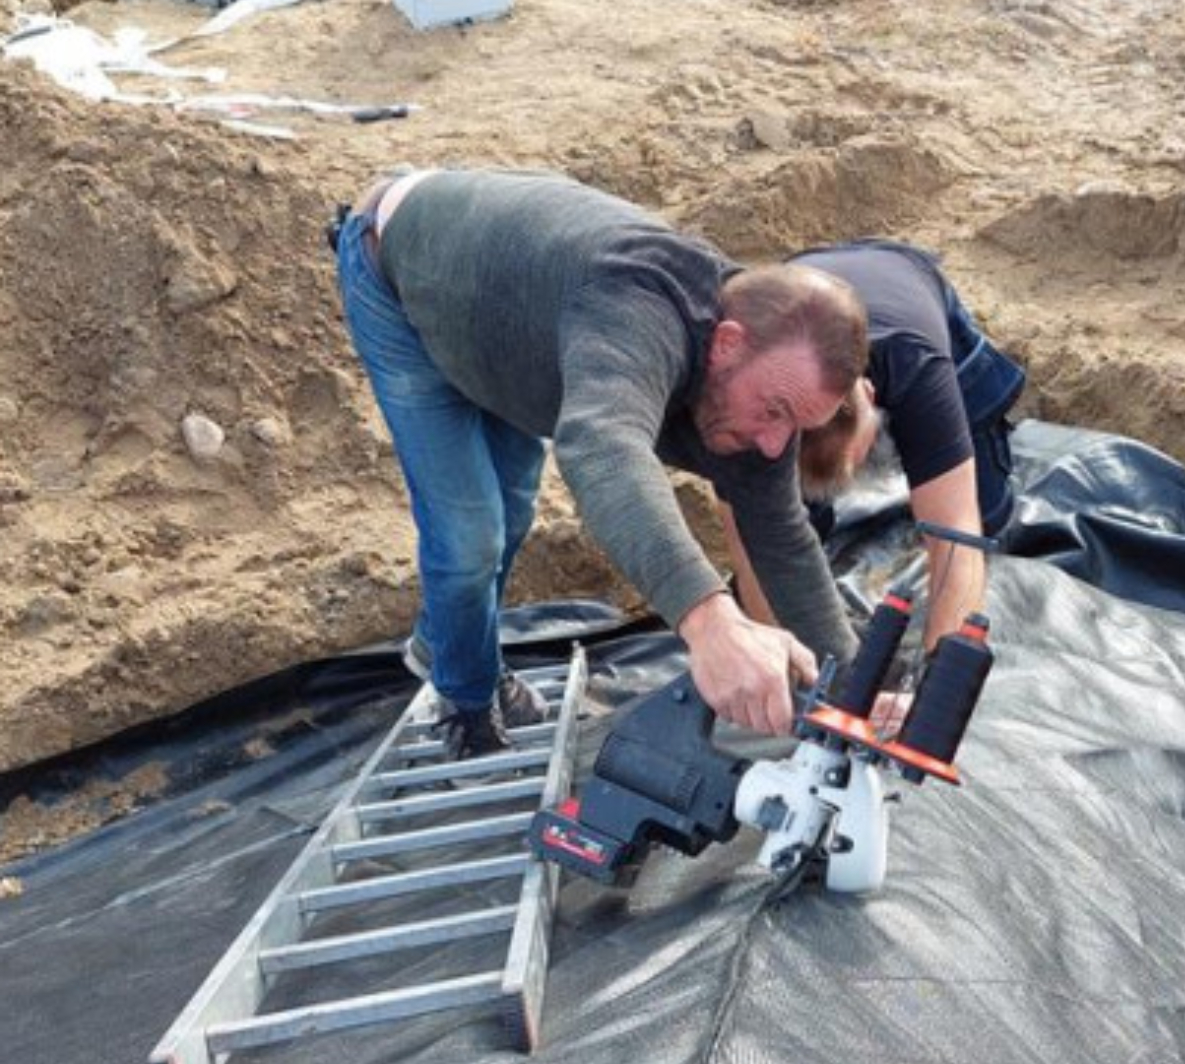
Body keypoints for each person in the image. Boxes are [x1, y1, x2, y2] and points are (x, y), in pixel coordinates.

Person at [330, 169, 866, 759]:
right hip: (401, 275)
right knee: (469, 535)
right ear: (726, 343)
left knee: (508, 515)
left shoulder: (760, 386)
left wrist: (856, 692)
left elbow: (782, 536)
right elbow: (602, 447)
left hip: (515, 330)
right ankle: (465, 695)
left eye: (794, 425)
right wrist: (710, 620)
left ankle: (447, 644)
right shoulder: (634, 313)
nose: (774, 446)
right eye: (775, 412)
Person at [720, 239, 1026, 651]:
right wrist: (784, 654)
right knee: (785, 529)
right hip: (798, 292)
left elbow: (959, 541)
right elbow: (747, 550)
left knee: (988, 513)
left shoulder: (917, 369)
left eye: (854, 462)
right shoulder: (744, 413)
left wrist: (936, 678)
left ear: (869, 394)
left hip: (904, 277)